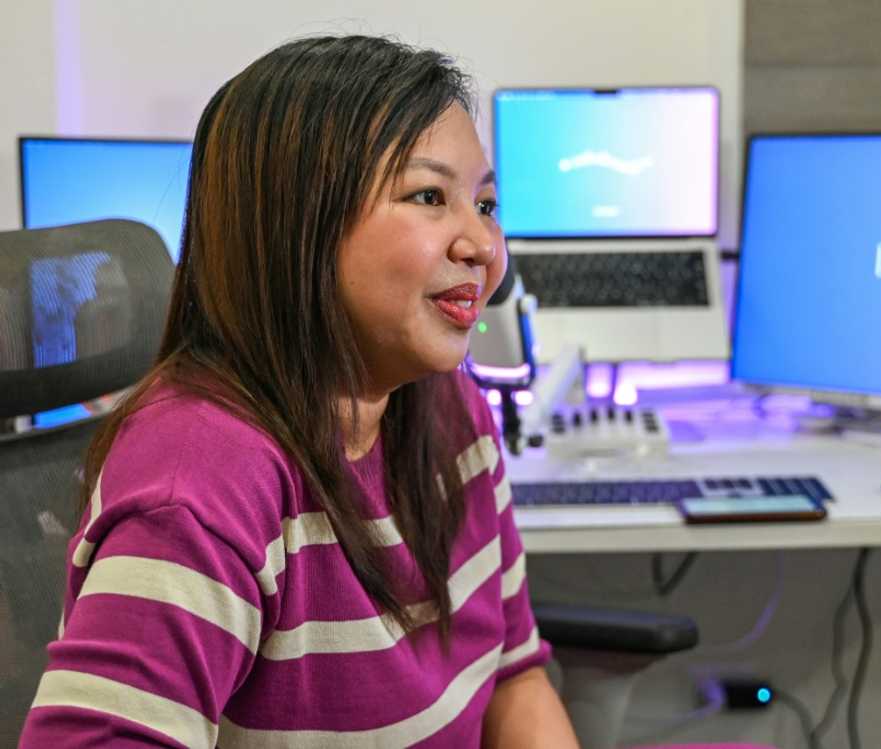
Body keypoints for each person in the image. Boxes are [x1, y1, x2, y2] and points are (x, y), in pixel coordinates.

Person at [20, 34, 580, 748]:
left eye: (487, 204)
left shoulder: (450, 409)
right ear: (297, 225)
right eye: (430, 196)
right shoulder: (200, 477)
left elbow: (513, 674)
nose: (484, 245)